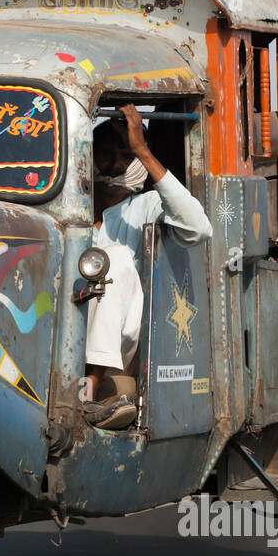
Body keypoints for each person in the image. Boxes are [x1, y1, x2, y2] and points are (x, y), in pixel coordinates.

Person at [83, 104, 212, 429]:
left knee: (118, 259)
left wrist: (142, 149)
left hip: (118, 346)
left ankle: (88, 393)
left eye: (126, 157)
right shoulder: (73, 211)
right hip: (66, 332)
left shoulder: (146, 206)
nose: (114, 166)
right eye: (105, 155)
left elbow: (198, 228)